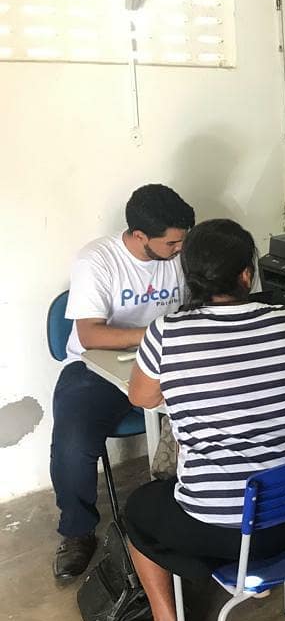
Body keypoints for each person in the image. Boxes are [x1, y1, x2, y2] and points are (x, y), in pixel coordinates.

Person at [119, 219, 285, 621]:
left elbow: (142, 397)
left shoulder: (166, 331)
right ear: (247, 275)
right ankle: (249, 574)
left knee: (139, 511)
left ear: (189, 275)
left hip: (231, 529)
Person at [51, 184, 195, 580]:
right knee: (74, 441)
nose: (180, 249)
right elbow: (90, 335)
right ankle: (77, 531)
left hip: (166, 362)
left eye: (183, 240)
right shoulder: (97, 259)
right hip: (97, 370)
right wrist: (156, 333)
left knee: (217, 408)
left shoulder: (182, 253)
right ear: (139, 236)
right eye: (171, 243)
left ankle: (193, 511)